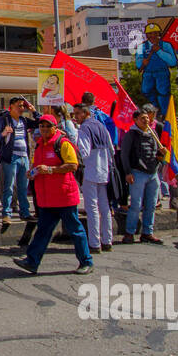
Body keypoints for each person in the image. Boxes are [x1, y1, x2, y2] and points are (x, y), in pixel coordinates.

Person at [13, 114, 93, 275]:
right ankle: (32, 261)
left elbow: (72, 165)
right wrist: (33, 173)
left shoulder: (63, 143)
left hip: (64, 196)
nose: (44, 129)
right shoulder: (40, 145)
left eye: (47, 126)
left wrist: (50, 170)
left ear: (55, 128)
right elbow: (39, 166)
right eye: (41, 126)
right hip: (47, 198)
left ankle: (86, 261)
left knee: (75, 230)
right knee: (42, 231)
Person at [73, 102, 114, 253]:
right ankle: (107, 240)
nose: (75, 117)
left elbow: (84, 151)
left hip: (90, 169)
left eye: (77, 113)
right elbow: (111, 148)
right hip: (104, 169)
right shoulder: (101, 126)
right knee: (104, 207)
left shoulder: (84, 128)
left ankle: (95, 243)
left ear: (85, 113)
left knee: (92, 208)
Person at [120, 105, 164, 244]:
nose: (146, 121)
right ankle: (129, 232)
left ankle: (147, 232)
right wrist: (128, 172)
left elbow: (156, 152)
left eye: (147, 118)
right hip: (137, 173)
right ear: (135, 120)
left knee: (151, 205)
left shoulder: (153, 134)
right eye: (142, 118)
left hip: (153, 173)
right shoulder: (131, 135)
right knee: (136, 205)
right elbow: (124, 155)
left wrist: (161, 155)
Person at [0, 96, 35, 222]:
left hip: (24, 157)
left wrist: (33, 110)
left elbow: (39, 122)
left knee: (23, 187)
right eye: (19, 106)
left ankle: (25, 212)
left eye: (23, 106)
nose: (22, 108)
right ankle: (6, 213)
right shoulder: (3, 120)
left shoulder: (24, 120)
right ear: (11, 106)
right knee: (9, 186)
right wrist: (3, 134)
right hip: (10, 157)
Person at [134, 23, 178, 113]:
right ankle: (153, 111)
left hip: (162, 73)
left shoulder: (166, 45)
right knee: (146, 91)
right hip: (148, 74)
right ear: (146, 35)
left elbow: (172, 61)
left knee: (163, 93)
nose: (152, 36)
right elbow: (138, 63)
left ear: (159, 33)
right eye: (150, 33)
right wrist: (143, 62)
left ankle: (164, 114)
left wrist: (159, 51)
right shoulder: (141, 47)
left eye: (155, 33)